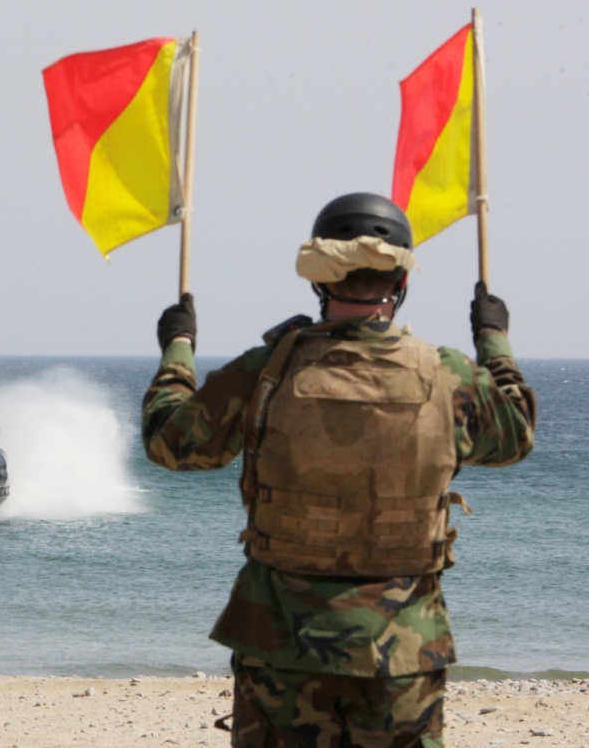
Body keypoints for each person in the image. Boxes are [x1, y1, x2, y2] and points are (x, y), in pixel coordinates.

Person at [142, 192, 536, 747]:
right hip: (403, 649)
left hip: (280, 646)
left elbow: (170, 444)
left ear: (321, 281)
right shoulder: (447, 375)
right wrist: (493, 338)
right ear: (401, 282)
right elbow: (516, 436)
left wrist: (178, 348)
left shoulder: (268, 370)